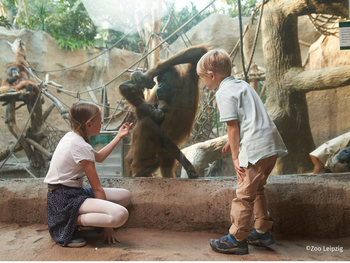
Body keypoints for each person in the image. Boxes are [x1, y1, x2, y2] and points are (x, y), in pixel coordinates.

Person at [197, 49, 288, 255]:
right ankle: (262, 231)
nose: (203, 83)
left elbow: (233, 127)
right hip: (270, 144)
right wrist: (234, 143)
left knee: (243, 194)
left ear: (211, 75)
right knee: (257, 189)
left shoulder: (223, 92)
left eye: (202, 78)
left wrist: (236, 157)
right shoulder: (243, 85)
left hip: (255, 148)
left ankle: (237, 238)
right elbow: (248, 118)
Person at [44, 101, 133, 248]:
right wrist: (108, 229)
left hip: (71, 193)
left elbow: (98, 157)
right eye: (99, 120)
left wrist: (119, 136)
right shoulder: (80, 145)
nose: (102, 122)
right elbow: (97, 189)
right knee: (120, 215)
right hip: (64, 198)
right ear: (89, 124)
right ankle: (67, 221)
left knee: (125, 196)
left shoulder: (72, 136)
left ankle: (74, 219)